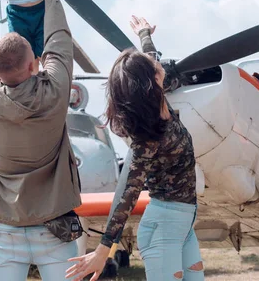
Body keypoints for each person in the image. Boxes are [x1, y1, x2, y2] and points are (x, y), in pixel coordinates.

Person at [0, 0, 82, 280]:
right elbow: (59, 42)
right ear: (34, 65)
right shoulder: (55, 92)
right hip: (55, 232)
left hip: (5, 235)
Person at [66, 16, 205, 280]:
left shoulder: (157, 99)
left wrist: (144, 34)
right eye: (153, 65)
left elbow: (148, 59)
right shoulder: (147, 141)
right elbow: (126, 196)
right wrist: (103, 249)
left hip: (183, 226)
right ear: (151, 82)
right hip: (164, 229)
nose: (158, 62)